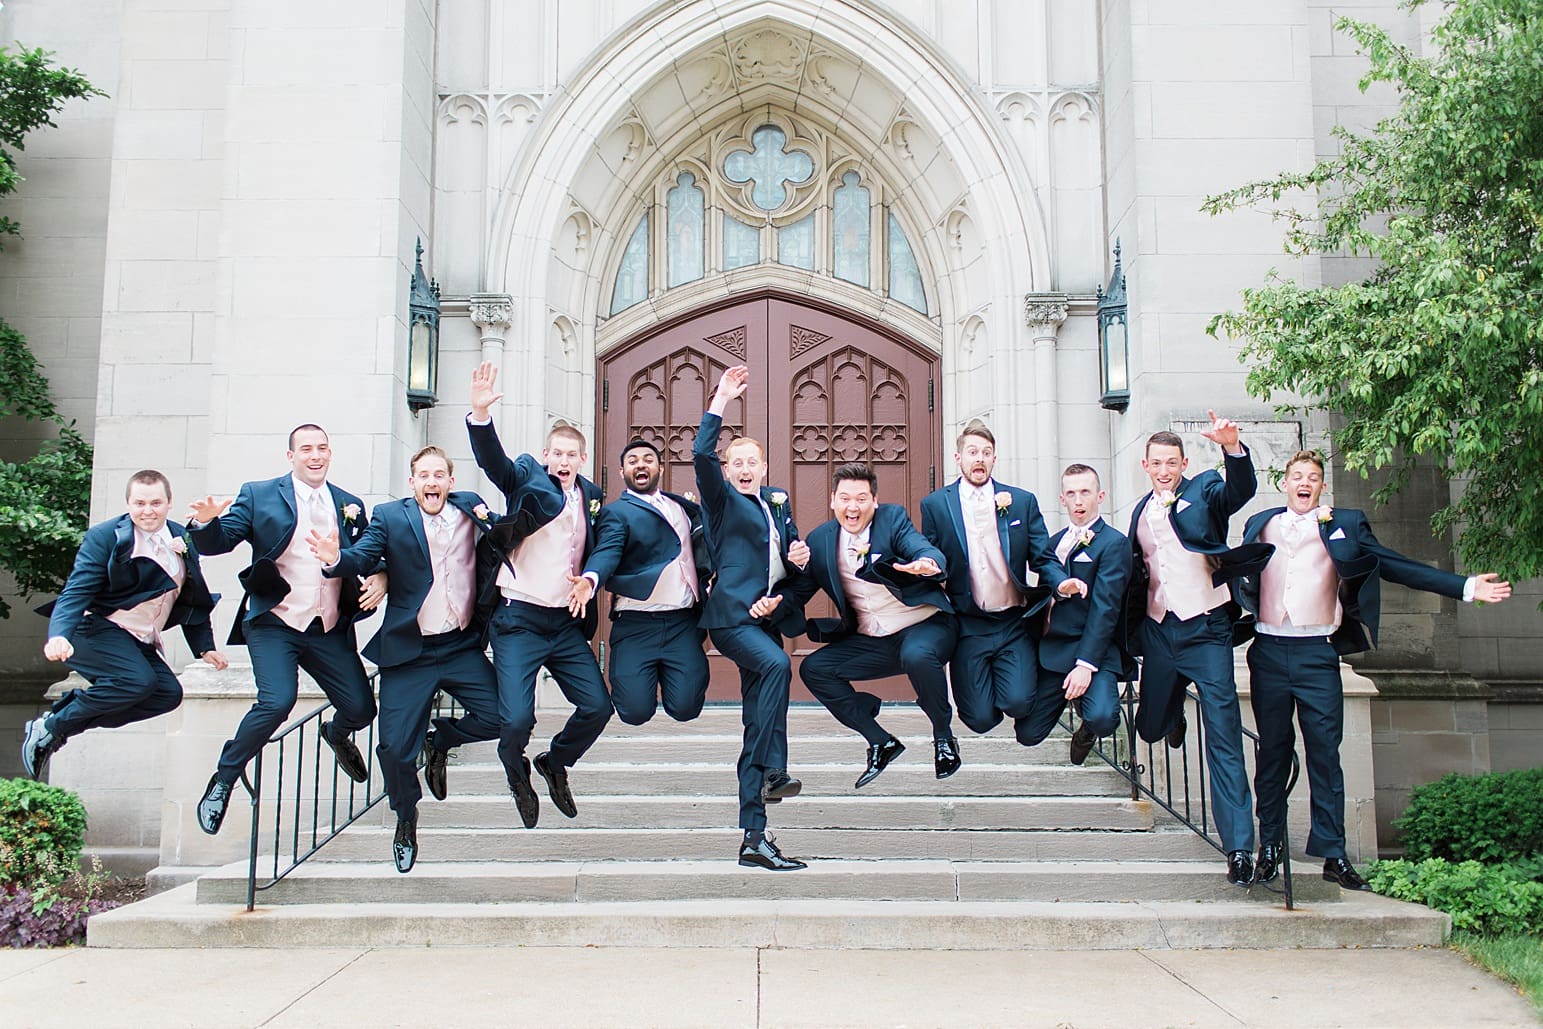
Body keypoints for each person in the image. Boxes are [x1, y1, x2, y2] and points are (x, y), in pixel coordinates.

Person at [1238, 450, 1512, 890]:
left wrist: (1464, 586)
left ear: (1321, 486)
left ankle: (1333, 853)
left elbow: (1393, 565)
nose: (1304, 482)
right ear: (1284, 484)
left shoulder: (1344, 523)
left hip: (1317, 654)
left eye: (1312, 477)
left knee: (1326, 756)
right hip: (1268, 651)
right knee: (1272, 752)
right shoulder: (1261, 523)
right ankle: (1269, 845)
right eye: (1296, 476)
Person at [309, 446, 507, 873]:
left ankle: (442, 741)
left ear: (451, 482)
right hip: (410, 650)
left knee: (501, 716)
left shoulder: (472, 509)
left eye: (440, 475)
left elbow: (503, 540)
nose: (432, 482)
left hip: (459, 644)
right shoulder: (390, 516)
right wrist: (337, 560)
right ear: (412, 481)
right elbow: (364, 555)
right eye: (424, 475)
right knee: (395, 751)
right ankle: (405, 816)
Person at [187, 425, 383, 836]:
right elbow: (220, 541)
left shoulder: (348, 504)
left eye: (323, 448)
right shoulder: (259, 494)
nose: (316, 455)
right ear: (290, 456)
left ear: (331, 453)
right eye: (306, 449)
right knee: (277, 701)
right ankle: (224, 777)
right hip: (276, 621)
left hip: (327, 626)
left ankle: (336, 733)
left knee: (363, 709)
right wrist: (204, 524)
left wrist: (381, 575)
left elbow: (370, 551)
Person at [466, 362, 614, 829]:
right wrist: (480, 415)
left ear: (582, 459)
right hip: (519, 621)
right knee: (515, 721)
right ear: (547, 454)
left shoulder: (592, 495)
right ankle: (517, 771)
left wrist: (589, 580)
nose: (564, 462)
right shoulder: (526, 479)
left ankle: (555, 762)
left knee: (597, 707)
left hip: (565, 624)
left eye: (572, 455)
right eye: (558, 453)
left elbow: (602, 543)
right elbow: (495, 464)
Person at [1126, 413, 1271, 886]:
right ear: (1145, 466)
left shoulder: (1205, 489)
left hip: (1207, 629)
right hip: (1159, 631)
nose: (1165, 470)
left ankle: (1237, 848)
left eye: (1172, 462)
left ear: (1184, 463)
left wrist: (1233, 450)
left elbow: (1238, 492)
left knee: (1225, 737)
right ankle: (1171, 716)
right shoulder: (1139, 512)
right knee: (1149, 727)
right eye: (1157, 463)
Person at [23, 470, 228, 779]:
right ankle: (55, 724)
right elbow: (77, 590)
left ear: (169, 502)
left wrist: (204, 648)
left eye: (156, 503)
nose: (148, 511)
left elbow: (193, 596)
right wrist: (58, 635)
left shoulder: (181, 538)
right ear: (129, 504)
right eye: (140, 503)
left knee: (166, 694)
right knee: (137, 681)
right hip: (95, 629)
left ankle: (54, 726)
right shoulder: (106, 536)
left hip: (137, 639)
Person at [693, 365, 810, 871]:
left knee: (758, 716)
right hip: (731, 620)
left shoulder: (775, 505)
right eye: (735, 462)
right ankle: (772, 771)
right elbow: (700, 453)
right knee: (778, 668)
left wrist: (797, 559)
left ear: (763, 467)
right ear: (727, 469)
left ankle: (753, 835)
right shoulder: (720, 503)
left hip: (762, 621)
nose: (743, 468)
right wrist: (720, 399)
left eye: (751, 462)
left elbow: (783, 569)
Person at [791, 463, 961, 783]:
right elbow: (798, 592)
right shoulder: (821, 540)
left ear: (874, 501)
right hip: (875, 640)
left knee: (916, 655)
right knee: (814, 669)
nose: (852, 507)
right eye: (845, 498)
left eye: (861, 498)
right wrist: (769, 601)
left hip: (924, 626)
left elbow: (919, 546)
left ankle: (943, 736)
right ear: (832, 501)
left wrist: (928, 563)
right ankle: (880, 741)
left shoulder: (892, 520)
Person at [919, 420, 1072, 747]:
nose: (980, 458)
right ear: (957, 457)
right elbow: (930, 551)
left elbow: (1043, 557)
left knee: (1018, 702)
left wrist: (1060, 584)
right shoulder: (935, 506)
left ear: (994, 459)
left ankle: (1041, 681)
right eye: (972, 452)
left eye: (986, 453)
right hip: (968, 624)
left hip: (1013, 622)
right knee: (979, 719)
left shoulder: (1019, 501)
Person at [567, 438, 711, 726]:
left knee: (686, 708)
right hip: (636, 624)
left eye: (648, 459)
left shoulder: (683, 507)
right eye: (633, 461)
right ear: (622, 472)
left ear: (659, 467)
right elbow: (608, 549)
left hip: (682, 622)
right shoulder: (616, 513)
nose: (641, 464)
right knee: (634, 712)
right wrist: (591, 579)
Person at [1016, 464, 1133, 764]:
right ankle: (1079, 698)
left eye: (1085, 492)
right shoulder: (1052, 544)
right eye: (1071, 493)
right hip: (1054, 651)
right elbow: (1046, 595)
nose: (1078, 501)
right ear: (1062, 499)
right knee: (1027, 733)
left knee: (1105, 717)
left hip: (1093, 651)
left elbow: (1105, 609)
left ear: (1100, 496)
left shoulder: (1114, 543)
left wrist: (1086, 665)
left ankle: (1087, 728)